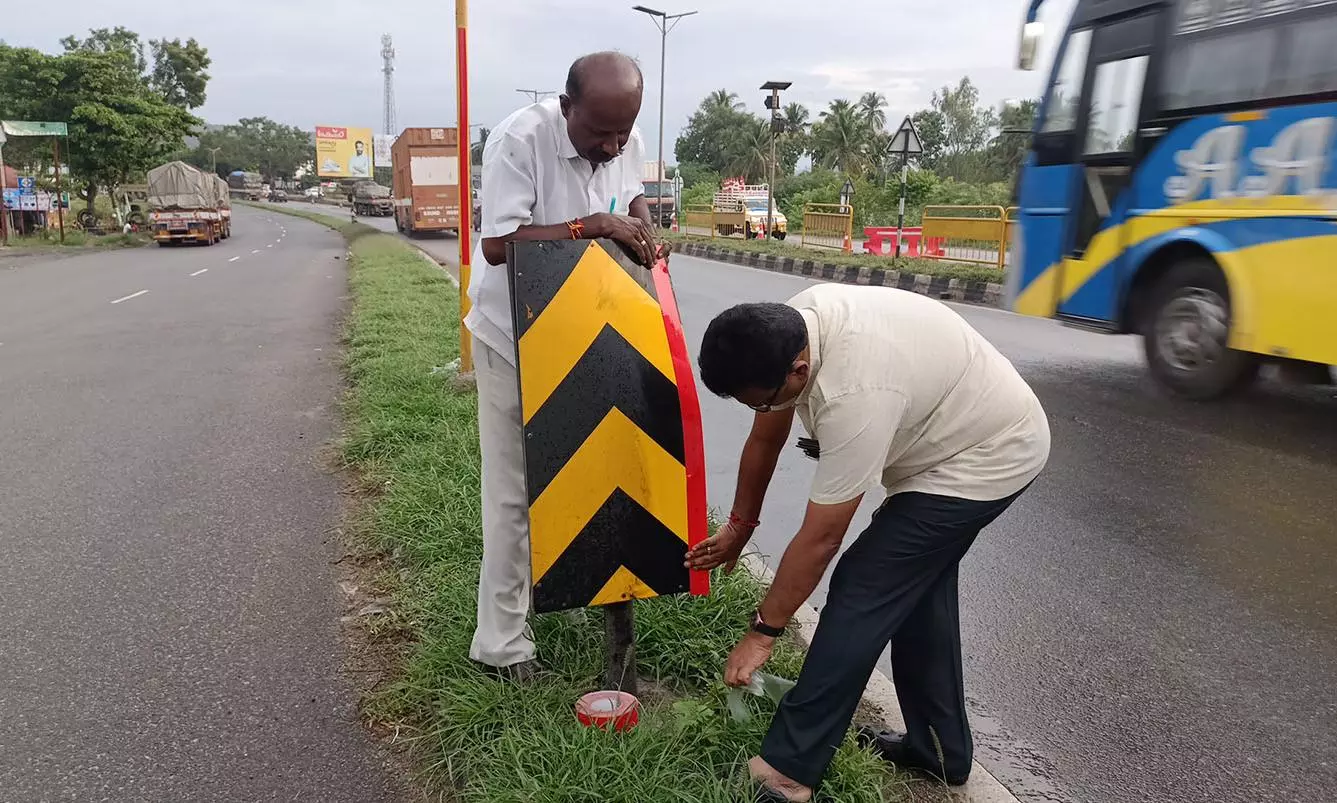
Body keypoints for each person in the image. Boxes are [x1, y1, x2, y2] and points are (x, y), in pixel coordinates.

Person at [688, 284, 1051, 801]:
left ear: (797, 372)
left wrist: (764, 631)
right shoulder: (791, 328)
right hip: (950, 434)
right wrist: (738, 528)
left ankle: (790, 769)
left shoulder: (854, 392)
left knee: (865, 583)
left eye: (761, 400)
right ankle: (940, 752)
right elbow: (765, 436)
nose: (761, 411)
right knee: (916, 589)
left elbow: (822, 537)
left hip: (988, 454)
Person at [466, 51, 661, 680]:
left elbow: (631, 195)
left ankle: (576, 593)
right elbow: (497, 245)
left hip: (589, 333)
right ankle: (501, 647)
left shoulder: (619, 135)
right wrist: (591, 225)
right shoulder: (519, 140)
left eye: (622, 132)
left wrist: (641, 225)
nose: (610, 145)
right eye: (598, 132)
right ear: (565, 105)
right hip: (514, 337)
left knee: (590, 475)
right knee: (515, 494)